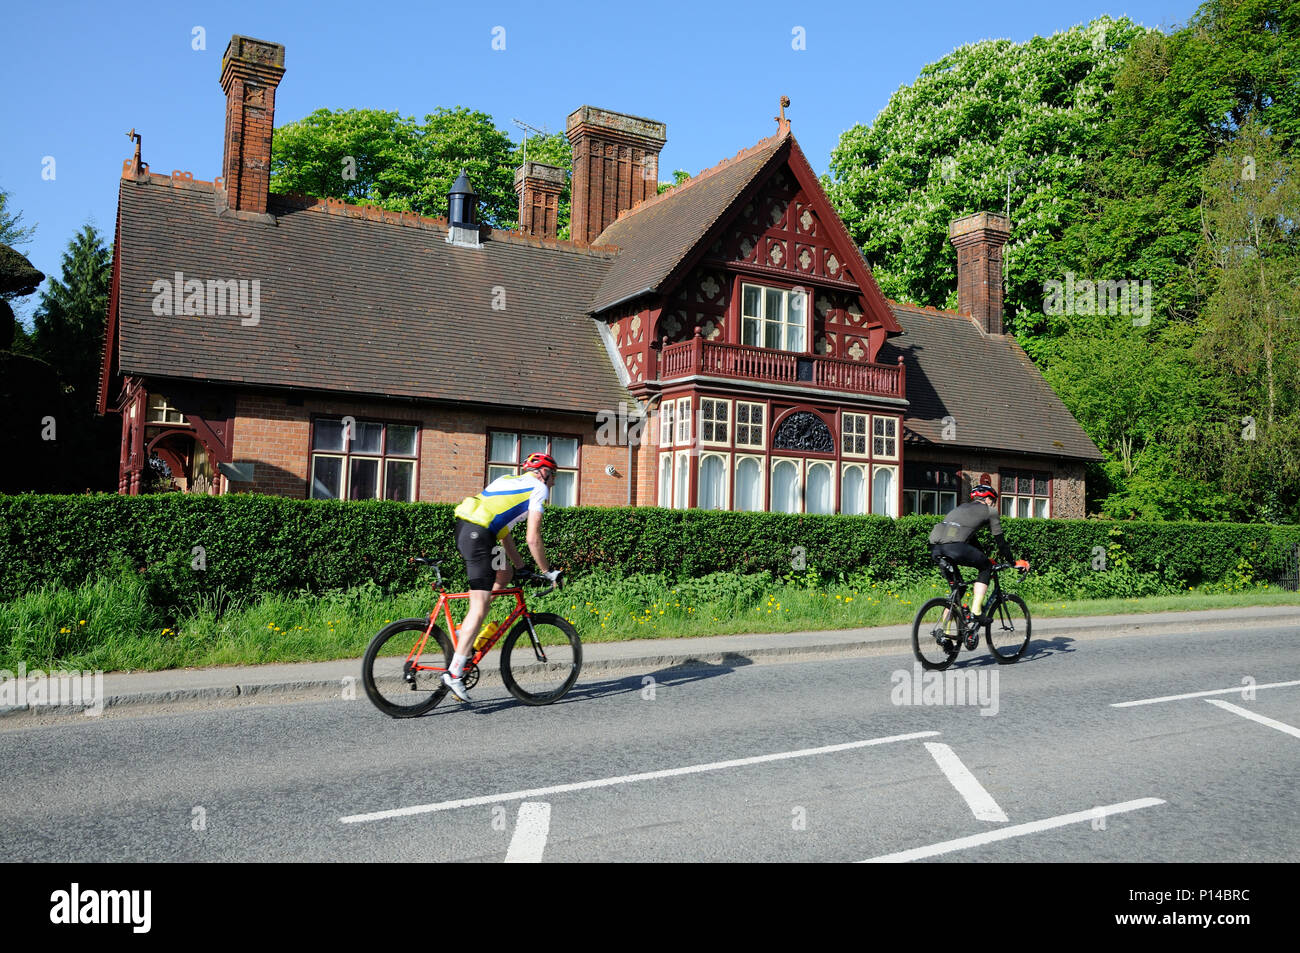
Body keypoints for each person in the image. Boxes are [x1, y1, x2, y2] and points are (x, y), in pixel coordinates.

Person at [445, 452, 562, 702]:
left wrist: (520, 566)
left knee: (504, 572)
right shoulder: (538, 489)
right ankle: (455, 673)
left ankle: (467, 629)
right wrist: (547, 571)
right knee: (478, 608)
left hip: (469, 530)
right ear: (543, 473)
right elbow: (533, 538)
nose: (553, 482)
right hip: (480, 537)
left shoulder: (507, 479)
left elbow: (504, 532)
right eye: (553, 475)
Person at [928, 482, 1028, 629]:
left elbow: (970, 538)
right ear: (988, 499)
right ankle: (976, 610)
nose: (993, 505)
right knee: (986, 567)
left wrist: (984, 556)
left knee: (958, 591)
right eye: (993, 501)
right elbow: (1000, 542)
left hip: (935, 549)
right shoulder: (990, 511)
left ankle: (946, 634)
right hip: (955, 547)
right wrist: (1012, 562)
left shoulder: (960, 508)